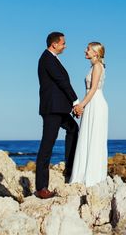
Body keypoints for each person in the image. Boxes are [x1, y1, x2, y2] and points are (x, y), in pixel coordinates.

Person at [35, 32, 83, 199]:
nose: (65, 45)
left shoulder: (52, 58)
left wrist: (70, 105)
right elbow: (62, 83)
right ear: (54, 44)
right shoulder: (47, 59)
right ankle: (41, 187)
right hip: (52, 110)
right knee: (47, 147)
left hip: (59, 108)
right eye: (63, 43)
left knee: (73, 129)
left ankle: (69, 167)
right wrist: (76, 102)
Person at [70, 42, 109, 187]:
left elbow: (93, 90)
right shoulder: (93, 66)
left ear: (96, 53)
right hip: (91, 102)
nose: (85, 50)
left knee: (94, 137)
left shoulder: (98, 66)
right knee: (87, 136)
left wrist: (81, 105)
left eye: (88, 49)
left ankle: (93, 177)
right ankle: (83, 174)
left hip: (96, 103)